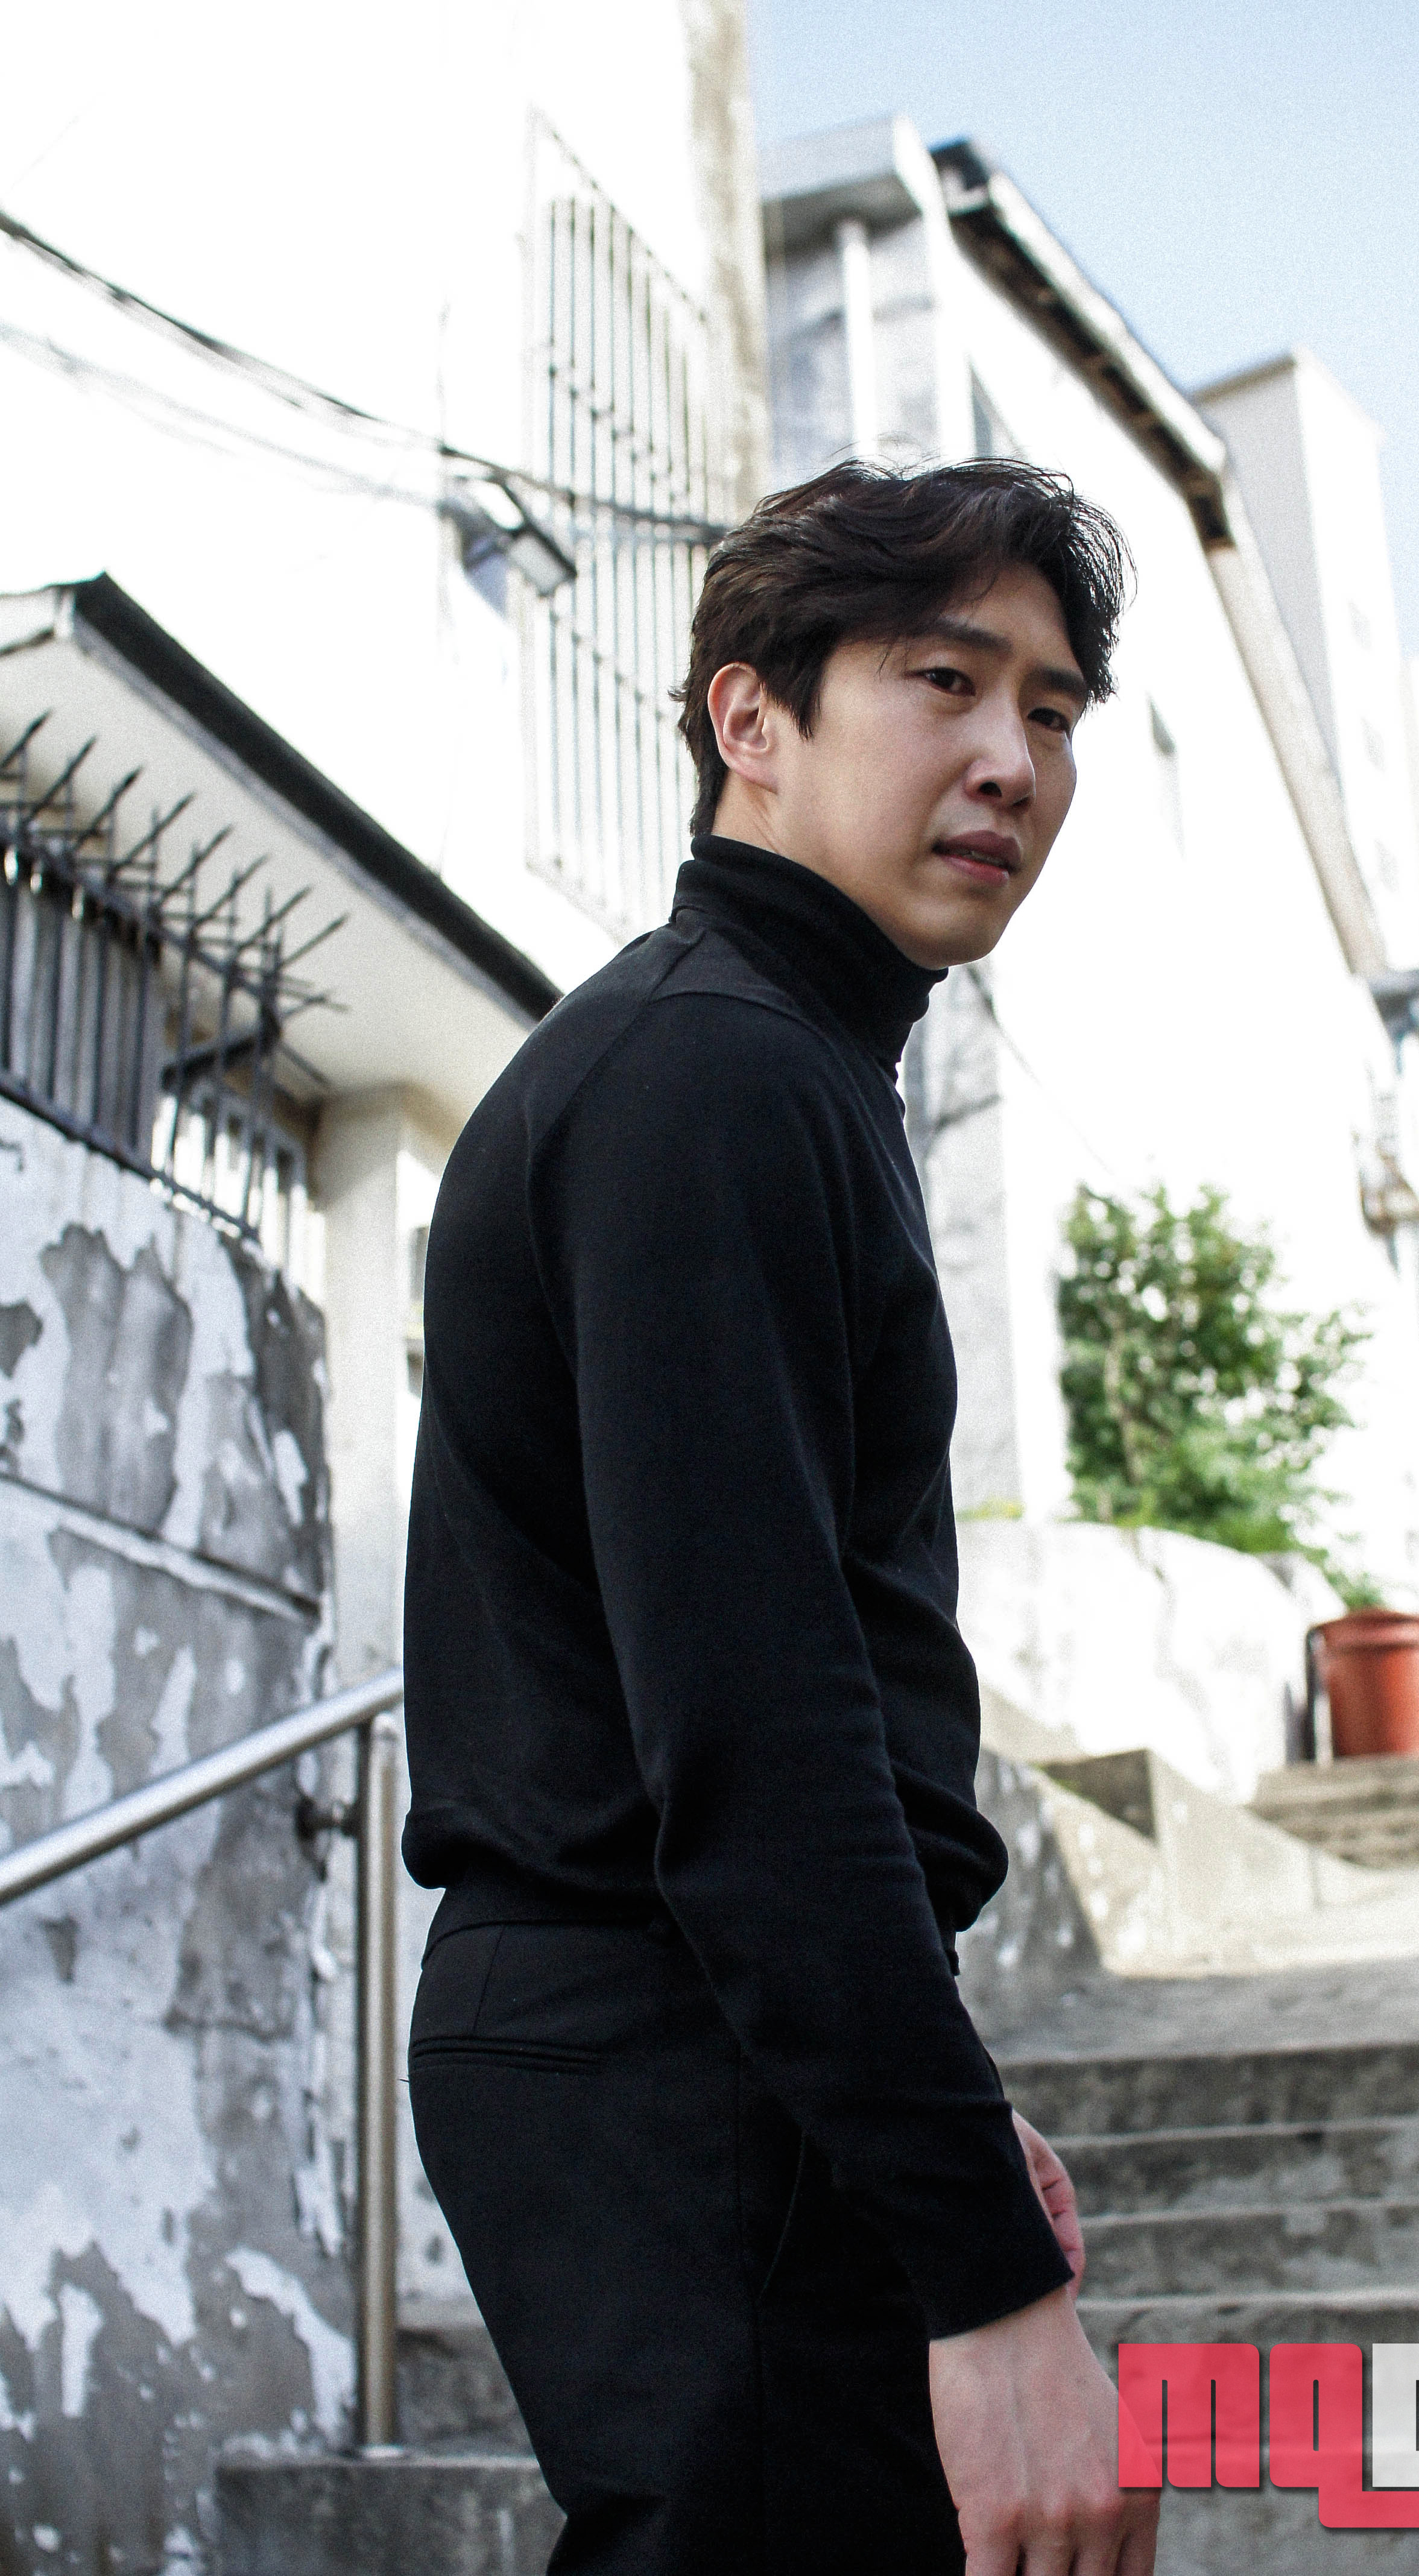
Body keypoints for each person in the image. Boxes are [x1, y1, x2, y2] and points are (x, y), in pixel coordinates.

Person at [402, 458, 1161, 2576]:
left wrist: (922, 2114)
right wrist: (988, 2284)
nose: (1013, 761)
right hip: (664, 2036)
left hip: (704, 2036)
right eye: (946, 682)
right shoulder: (711, 1074)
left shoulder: (773, 1066)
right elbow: (758, 1730)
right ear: (752, 717)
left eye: (1055, 711)